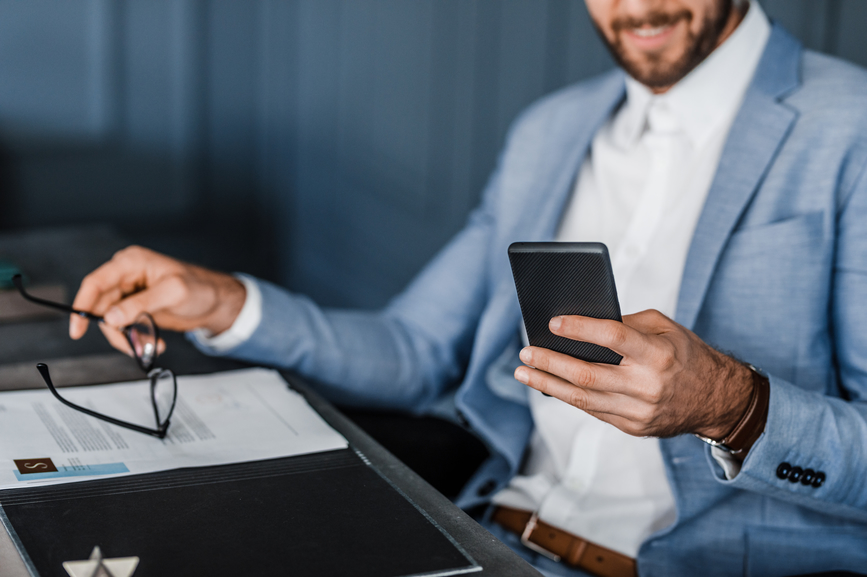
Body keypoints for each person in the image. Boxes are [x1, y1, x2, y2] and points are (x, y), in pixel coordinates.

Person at [69, 0, 867, 575]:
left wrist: (733, 405)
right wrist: (225, 302)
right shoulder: (548, 132)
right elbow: (416, 349)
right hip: (489, 541)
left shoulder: (850, 128)